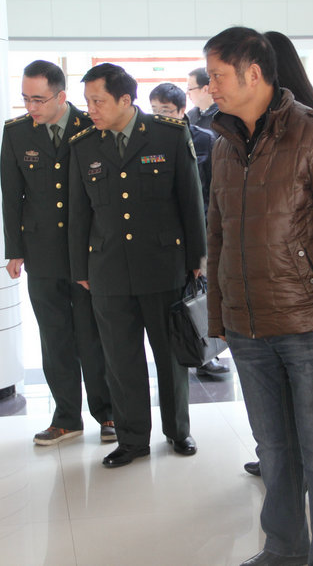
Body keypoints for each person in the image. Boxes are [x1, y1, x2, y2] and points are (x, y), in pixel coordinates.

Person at [205, 27, 313, 566]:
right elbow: (217, 235)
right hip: (247, 329)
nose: (211, 87)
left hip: (308, 328)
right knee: (273, 450)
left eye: (218, 76)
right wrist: (219, 315)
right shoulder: (224, 144)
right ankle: (283, 547)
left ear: (253, 74)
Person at [68, 63, 206, 468]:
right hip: (108, 269)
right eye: (88, 101)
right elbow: (78, 214)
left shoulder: (169, 135)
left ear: (125, 100)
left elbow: (191, 201)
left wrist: (196, 259)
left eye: (98, 101)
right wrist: (80, 269)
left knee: (170, 357)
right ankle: (131, 440)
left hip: (163, 266)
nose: (91, 109)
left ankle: (178, 430)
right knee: (120, 360)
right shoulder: (84, 145)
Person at [0, 59, 115, 446]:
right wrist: (14, 250)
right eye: (25, 99)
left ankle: (108, 413)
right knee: (54, 337)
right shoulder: (16, 133)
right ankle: (66, 417)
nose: (30, 107)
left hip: (88, 252)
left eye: (38, 99)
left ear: (61, 96)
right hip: (42, 251)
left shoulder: (91, 126)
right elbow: (11, 195)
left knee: (93, 335)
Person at [243, 30, 313, 480]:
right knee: (276, 424)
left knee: (312, 426)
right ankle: (280, 469)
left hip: (301, 308)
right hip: (259, 310)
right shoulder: (236, 138)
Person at [148, 82, 229, 377]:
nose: (160, 115)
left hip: (202, 230)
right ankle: (183, 351)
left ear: (182, 110)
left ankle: (206, 352)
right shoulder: (149, 141)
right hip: (166, 236)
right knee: (176, 299)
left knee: (201, 292)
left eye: (166, 110)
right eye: (154, 109)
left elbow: (215, 190)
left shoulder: (204, 139)